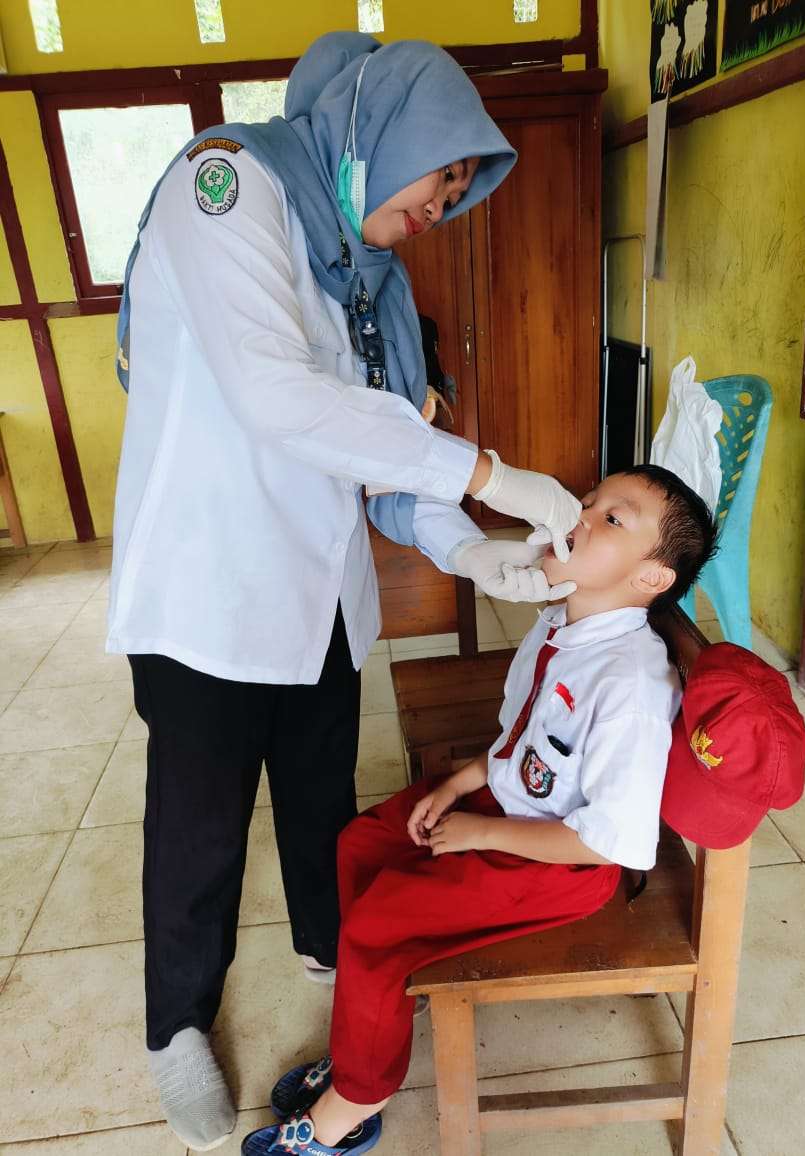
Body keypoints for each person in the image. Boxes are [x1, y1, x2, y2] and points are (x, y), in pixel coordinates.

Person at [107, 31, 585, 1153]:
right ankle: (175, 1027)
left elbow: (382, 459)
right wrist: (490, 475)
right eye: (441, 174)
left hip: (319, 597)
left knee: (320, 793)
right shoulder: (227, 188)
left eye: (459, 191)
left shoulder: (371, 282)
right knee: (198, 827)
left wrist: (469, 548)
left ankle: (334, 950)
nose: (443, 204)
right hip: (209, 595)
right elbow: (279, 396)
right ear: (382, 132)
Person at [246, 465, 718, 1156]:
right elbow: (523, 740)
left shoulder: (629, 687)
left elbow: (606, 844)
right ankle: (375, 1018)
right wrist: (460, 783)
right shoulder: (561, 626)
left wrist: (480, 831)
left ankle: (357, 1097)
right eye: (588, 501)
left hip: (556, 863)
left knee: (377, 925)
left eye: (611, 519)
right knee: (362, 844)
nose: (578, 517)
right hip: (505, 804)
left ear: (650, 577)